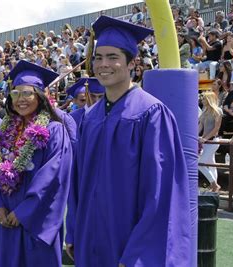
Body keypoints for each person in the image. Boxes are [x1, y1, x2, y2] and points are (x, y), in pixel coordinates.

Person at [67, 16, 192, 266]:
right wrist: (73, 230)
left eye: (113, 57)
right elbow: (77, 182)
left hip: (129, 243)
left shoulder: (152, 114)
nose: (104, 64)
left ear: (132, 63)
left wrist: (138, 253)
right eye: (98, 57)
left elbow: (160, 193)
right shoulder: (90, 118)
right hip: (91, 237)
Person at [0, 60, 72, 266]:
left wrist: (23, 212)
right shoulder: (1, 131)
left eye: (27, 93)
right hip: (3, 220)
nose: (21, 99)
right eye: (15, 93)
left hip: (34, 223)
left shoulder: (54, 130)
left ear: (40, 96)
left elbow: (53, 177)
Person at [198, 92, 223, 192]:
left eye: (204, 99)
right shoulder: (204, 111)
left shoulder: (218, 111)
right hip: (206, 141)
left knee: (200, 164)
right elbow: (200, 126)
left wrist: (205, 138)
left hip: (213, 141)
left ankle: (214, 185)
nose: (202, 100)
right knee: (211, 164)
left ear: (209, 99)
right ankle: (214, 188)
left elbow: (216, 129)